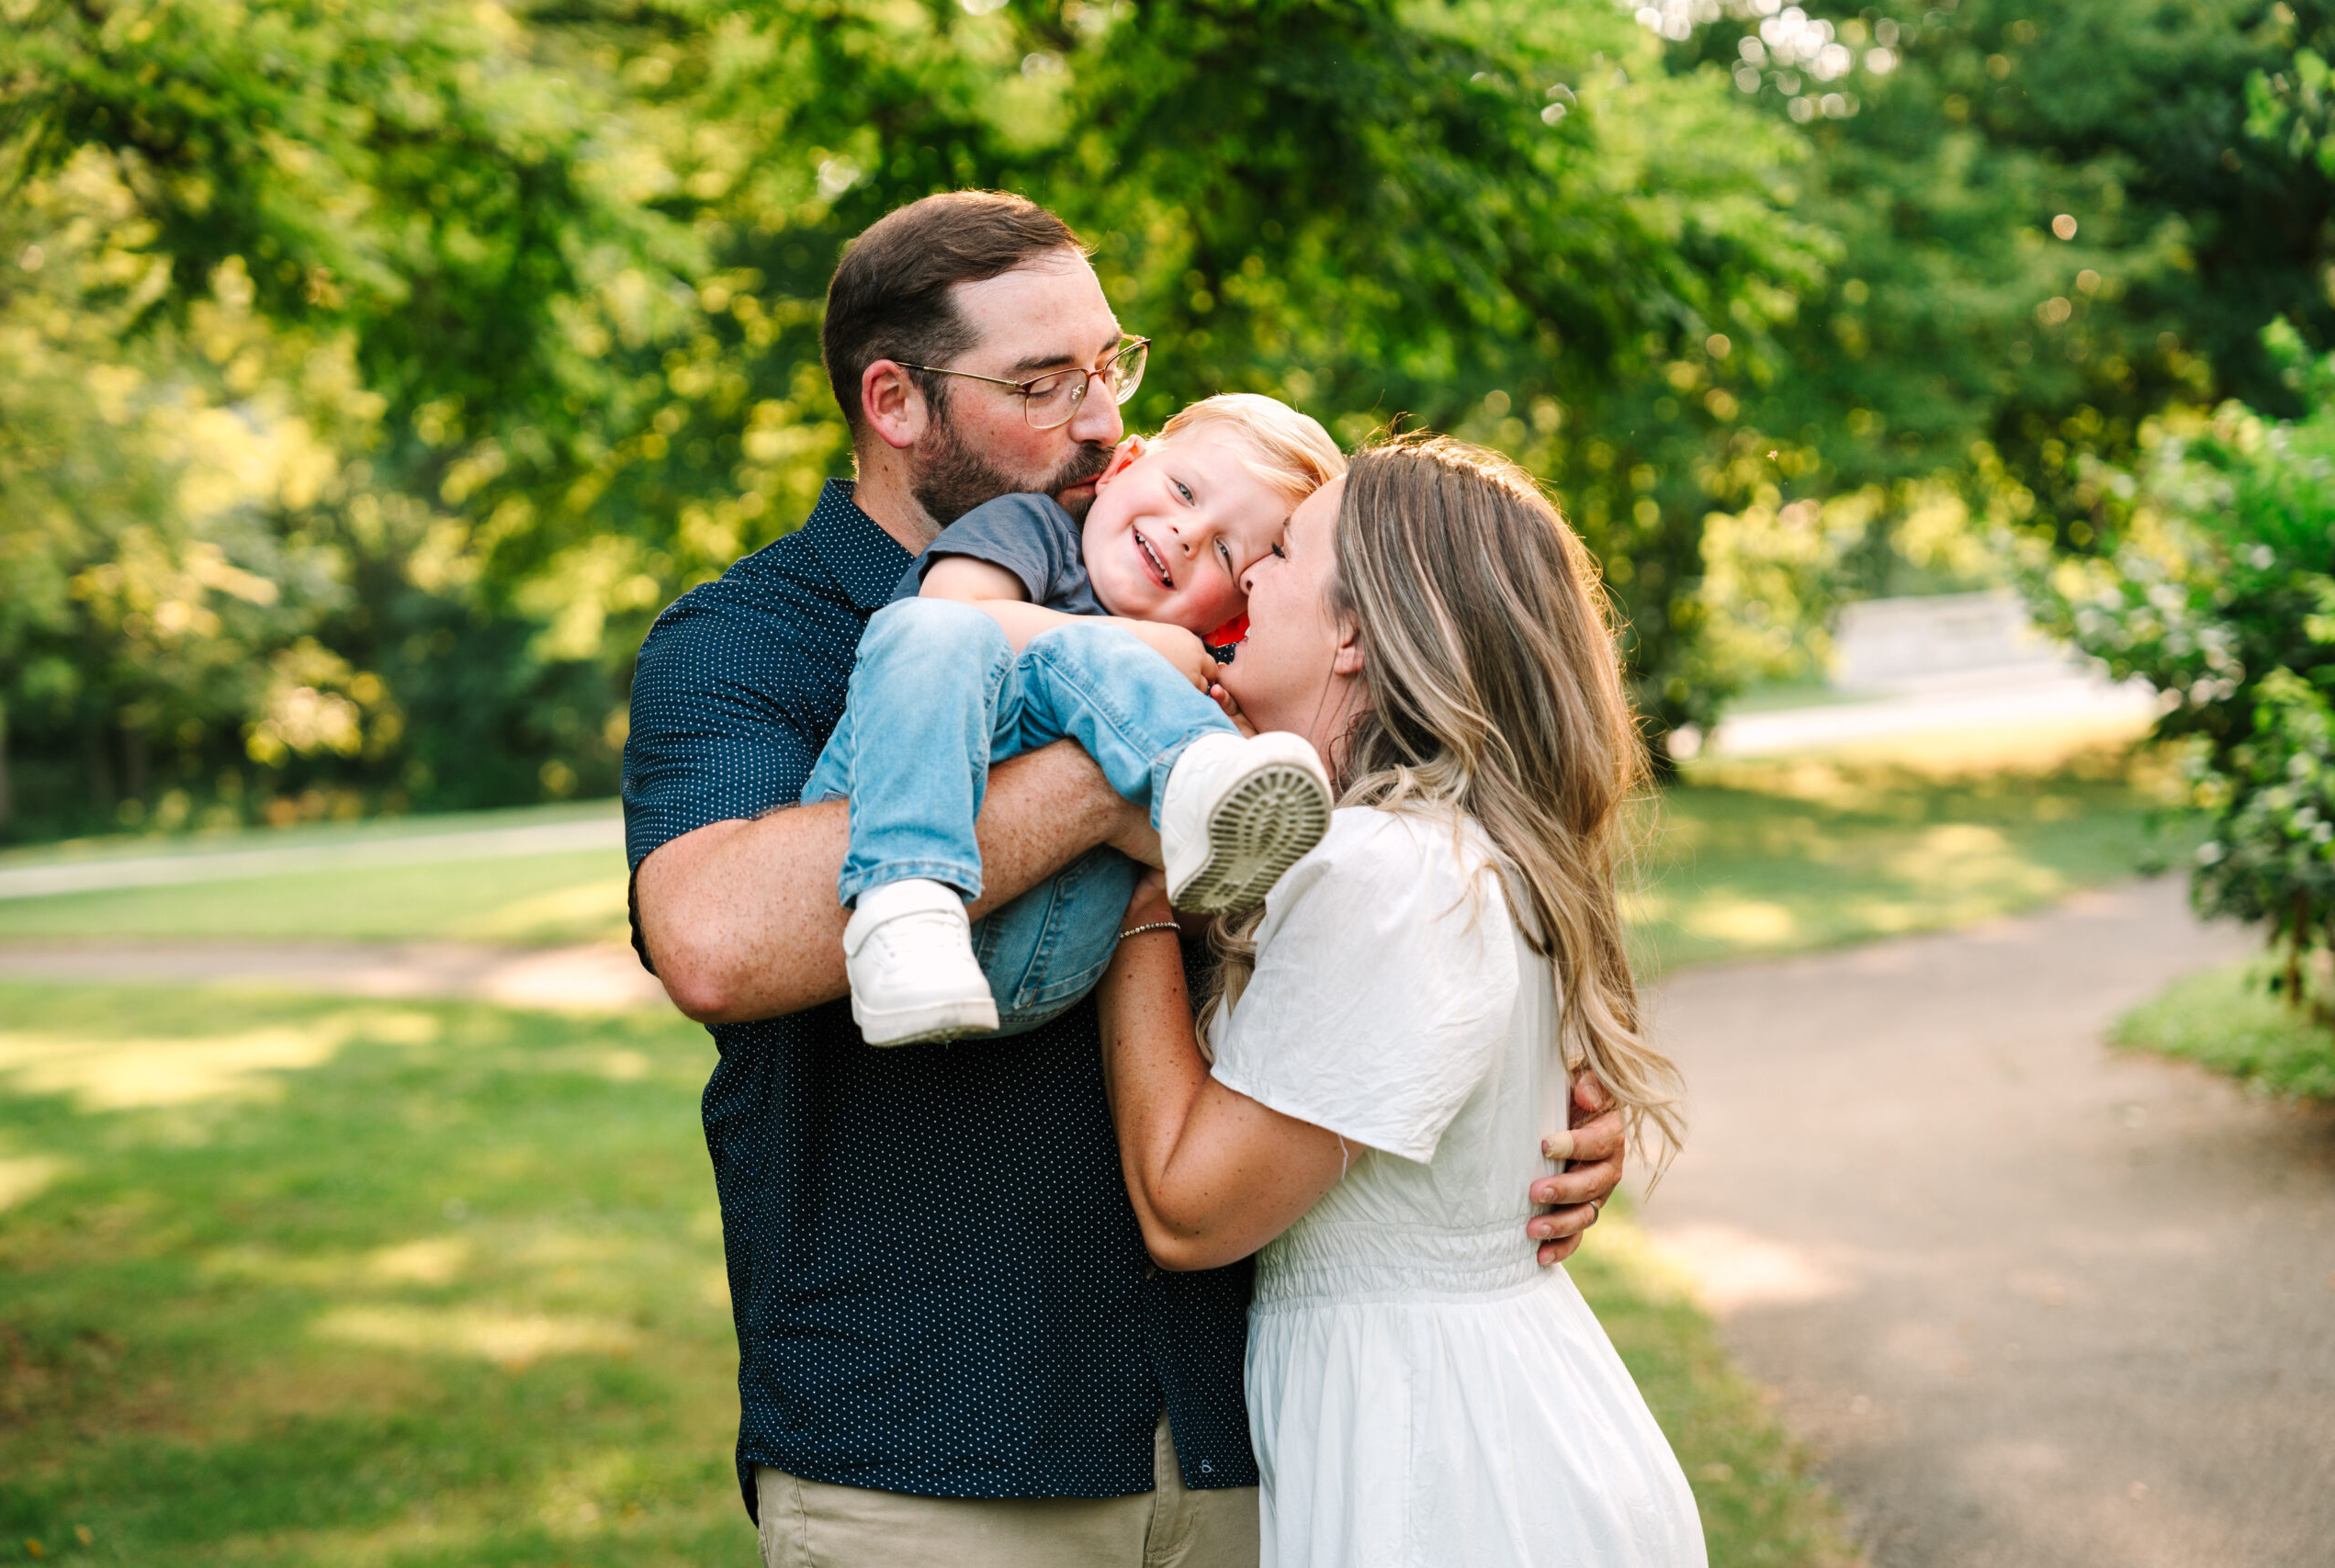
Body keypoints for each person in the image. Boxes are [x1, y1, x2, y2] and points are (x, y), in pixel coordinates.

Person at [621, 189, 1629, 1568]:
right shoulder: (752, 637)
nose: (1100, 421)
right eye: (1044, 384)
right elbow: (721, 942)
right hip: (937, 1458)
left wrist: (1511, 1106)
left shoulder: (1203, 597)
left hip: (1246, 1437)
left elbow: (1423, 847)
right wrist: (1123, 765)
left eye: (1111, 366)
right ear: (895, 402)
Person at [1099, 435, 1704, 1565]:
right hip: (1486, 1417)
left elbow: (1190, 1209)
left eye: (1278, 551)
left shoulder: (1388, 875)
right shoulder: (1446, 852)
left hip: (1440, 1465)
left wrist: (1137, 883)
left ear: (1356, 634)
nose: (1244, 578)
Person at [802, 395, 1345, 1046]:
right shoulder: (1036, 530)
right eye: (1183, 490)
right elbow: (948, 613)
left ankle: (1205, 795)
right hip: (887, 825)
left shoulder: (1197, 675)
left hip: (1050, 949)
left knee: (1176, 743)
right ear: (1123, 465)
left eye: (1226, 552)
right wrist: (1136, 644)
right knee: (1003, 643)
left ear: (1231, 619)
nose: (1187, 533)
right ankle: (907, 917)